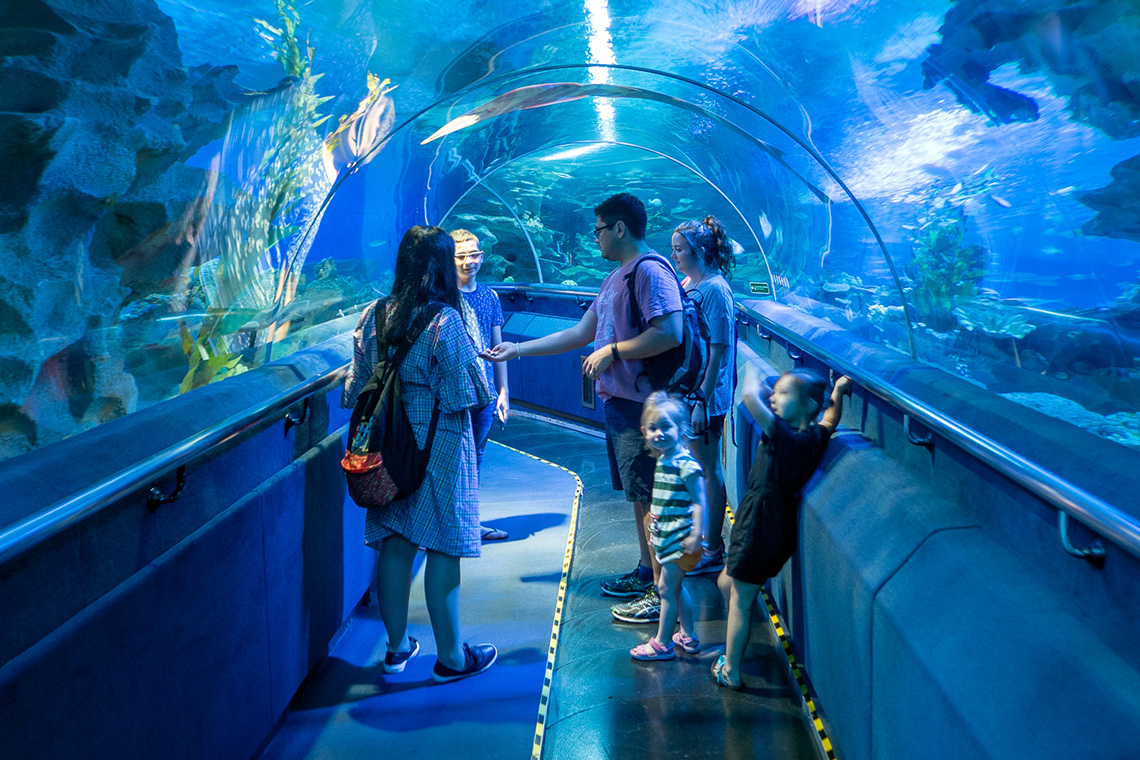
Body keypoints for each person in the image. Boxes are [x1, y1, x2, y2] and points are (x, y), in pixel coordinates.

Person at [485, 192, 682, 608]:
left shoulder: (649, 273)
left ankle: (660, 594)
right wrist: (517, 351)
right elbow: (579, 334)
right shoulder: (615, 278)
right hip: (623, 403)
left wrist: (612, 352)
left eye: (598, 231)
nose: (595, 239)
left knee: (650, 496)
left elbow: (670, 332)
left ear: (620, 228)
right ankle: (647, 571)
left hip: (644, 405)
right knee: (638, 494)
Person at [341, 225, 497, 684]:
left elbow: (354, 388)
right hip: (440, 444)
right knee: (445, 542)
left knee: (395, 539)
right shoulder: (444, 320)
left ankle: (395, 649)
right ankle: (451, 657)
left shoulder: (374, 315)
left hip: (388, 445)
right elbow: (470, 391)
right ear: (441, 264)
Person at [712, 365, 851, 690]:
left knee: (741, 600)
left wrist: (752, 374)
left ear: (807, 406)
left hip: (758, 525)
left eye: (784, 393)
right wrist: (838, 391)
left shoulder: (785, 438)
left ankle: (731, 669)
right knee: (726, 583)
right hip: (771, 525)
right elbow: (830, 419)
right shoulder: (812, 437)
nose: (774, 397)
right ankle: (737, 637)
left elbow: (749, 396)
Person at [669, 215, 736, 577]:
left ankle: (713, 549)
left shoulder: (715, 289)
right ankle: (703, 541)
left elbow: (719, 347)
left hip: (706, 397)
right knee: (698, 466)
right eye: (674, 249)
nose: (675, 255)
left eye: (680, 249)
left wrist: (702, 400)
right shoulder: (688, 283)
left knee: (710, 469)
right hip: (691, 392)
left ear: (699, 250)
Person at [626, 392, 708, 661]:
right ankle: (689, 635)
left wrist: (697, 534)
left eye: (666, 427)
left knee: (665, 589)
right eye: (653, 428)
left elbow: (699, 502)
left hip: (682, 539)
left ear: (680, 428)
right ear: (644, 431)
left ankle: (662, 643)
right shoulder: (665, 459)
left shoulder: (686, 464)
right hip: (668, 538)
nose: (659, 433)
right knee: (675, 588)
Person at [450, 228, 511, 541]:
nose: (468, 261)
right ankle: (450, 524)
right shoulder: (444, 297)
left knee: (476, 458)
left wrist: (504, 392)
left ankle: (470, 524)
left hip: (485, 393)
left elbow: (498, 348)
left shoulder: (490, 297)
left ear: (482, 256)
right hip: (453, 395)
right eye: (461, 256)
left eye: (473, 255)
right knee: (450, 461)